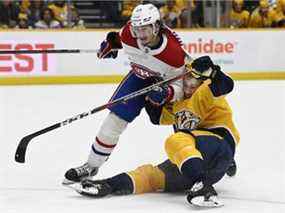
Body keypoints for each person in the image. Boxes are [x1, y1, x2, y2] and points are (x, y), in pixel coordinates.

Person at [66, 56, 240, 208]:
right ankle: (108, 185)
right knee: (151, 176)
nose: (188, 87)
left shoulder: (206, 91)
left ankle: (204, 186)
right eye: (185, 82)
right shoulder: (176, 104)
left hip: (220, 145)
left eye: (192, 83)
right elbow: (157, 118)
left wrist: (214, 72)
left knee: (176, 139)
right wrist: (152, 98)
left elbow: (226, 85)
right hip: (202, 167)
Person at [63, 4, 188, 185]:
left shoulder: (174, 54)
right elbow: (120, 40)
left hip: (163, 85)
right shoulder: (129, 32)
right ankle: (91, 166)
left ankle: (206, 157)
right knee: (114, 120)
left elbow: (180, 86)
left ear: (157, 26)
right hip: (139, 77)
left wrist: (167, 93)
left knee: (185, 120)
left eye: (145, 29)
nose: (141, 35)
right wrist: (111, 45)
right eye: (137, 30)